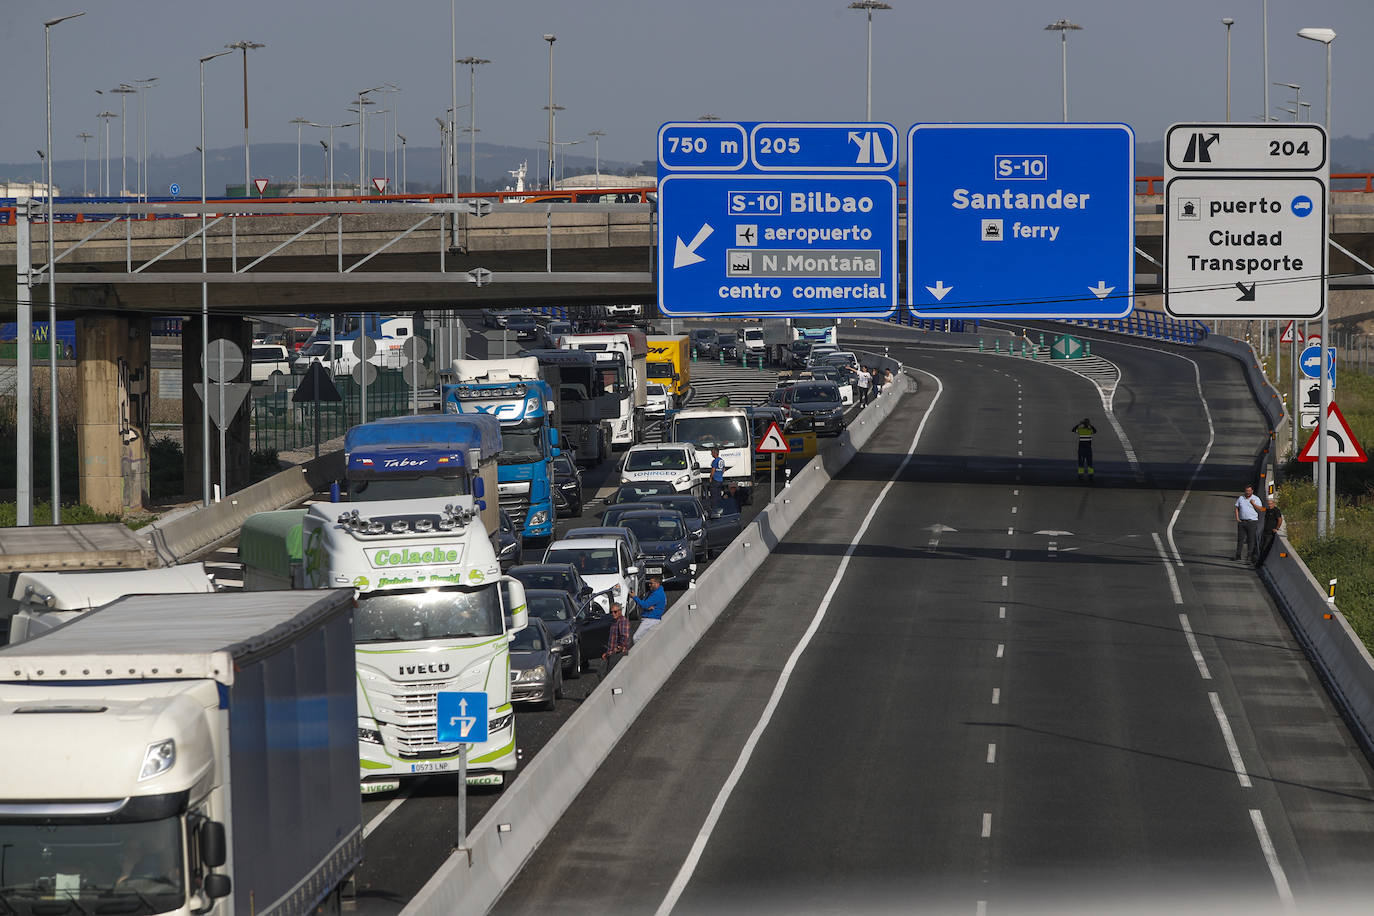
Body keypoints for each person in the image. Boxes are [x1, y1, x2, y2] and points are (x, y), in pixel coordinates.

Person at [1234, 484, 1263, 562]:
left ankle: (1249, 556)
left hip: (1252, 522)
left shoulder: (1256, 499)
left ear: (1252, 491)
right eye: (1246, 491)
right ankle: (1238, 555)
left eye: (1249, 491)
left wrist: (1253, 504)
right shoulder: (1241, 498)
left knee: (1251, 539)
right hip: (1242, 522)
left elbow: (1261, 509)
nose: (1247, 492)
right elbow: (1237, 507)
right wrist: (1237, 518)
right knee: (1240, 539)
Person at [601, 601, 631, 675]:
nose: (613, 614)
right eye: (612, 612)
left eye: (615, 612)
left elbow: (625, 637)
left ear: (620, 611)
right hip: (612, 654)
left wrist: (618, 648)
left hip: (618, 654)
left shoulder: (622, 621)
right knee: (602, 674)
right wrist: (607, 653)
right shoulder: (614, 622)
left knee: (609, 675)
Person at [1254, 496, 1283, 567]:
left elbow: (1280, 520)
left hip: (1270, 534)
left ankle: (1259, 564)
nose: (1269, 505)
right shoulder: (1267, 510)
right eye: (1268, 504)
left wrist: (1277, 528)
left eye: (1270, 504)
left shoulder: (1276, 511)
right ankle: (1258, 560)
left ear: (1273, 504)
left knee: (1265, 549)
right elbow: (1261, 509)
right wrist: (1253, 504)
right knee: (1260, 547)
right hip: (1265, 532)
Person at [1072, 417, 1097, 482]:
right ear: (1088, 424)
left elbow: (1073, 430)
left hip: (1081, 449)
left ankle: (1080, 476)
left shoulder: (1080, 430)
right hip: (1088, 449)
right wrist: (1090, 425)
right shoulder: (1089, 430)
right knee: (1089, 463)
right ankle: (1090, 476)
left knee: (1081, 463)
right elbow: (1095, 431)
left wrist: (1079, 424)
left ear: (1083, 424)